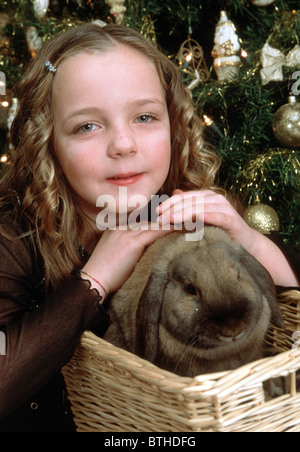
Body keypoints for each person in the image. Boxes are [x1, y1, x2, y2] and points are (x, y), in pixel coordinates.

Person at [0, 23, 299, 432]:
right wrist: (95, 278)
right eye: (87, 126)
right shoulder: (13, 233)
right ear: (48, 143)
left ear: (173, 125)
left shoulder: (184, 208)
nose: (123, 144)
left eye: (144, 117)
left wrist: (249, 241)